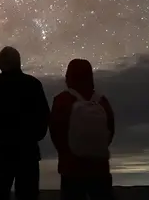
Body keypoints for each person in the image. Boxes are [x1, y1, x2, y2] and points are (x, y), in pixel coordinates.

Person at [0, 46, 50, 200]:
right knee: (28, 194)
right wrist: (34, 136)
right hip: (28, 151)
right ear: (19, 62)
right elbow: (44, 116)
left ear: (0, 64)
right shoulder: (33, 84)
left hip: (0, 152)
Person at [49, 59, 116, 200]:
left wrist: (67, 152)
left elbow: (56, 133)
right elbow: (110, 131)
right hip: (100, 168)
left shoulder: (62, 100)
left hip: (71, 168)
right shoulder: (102, 101)